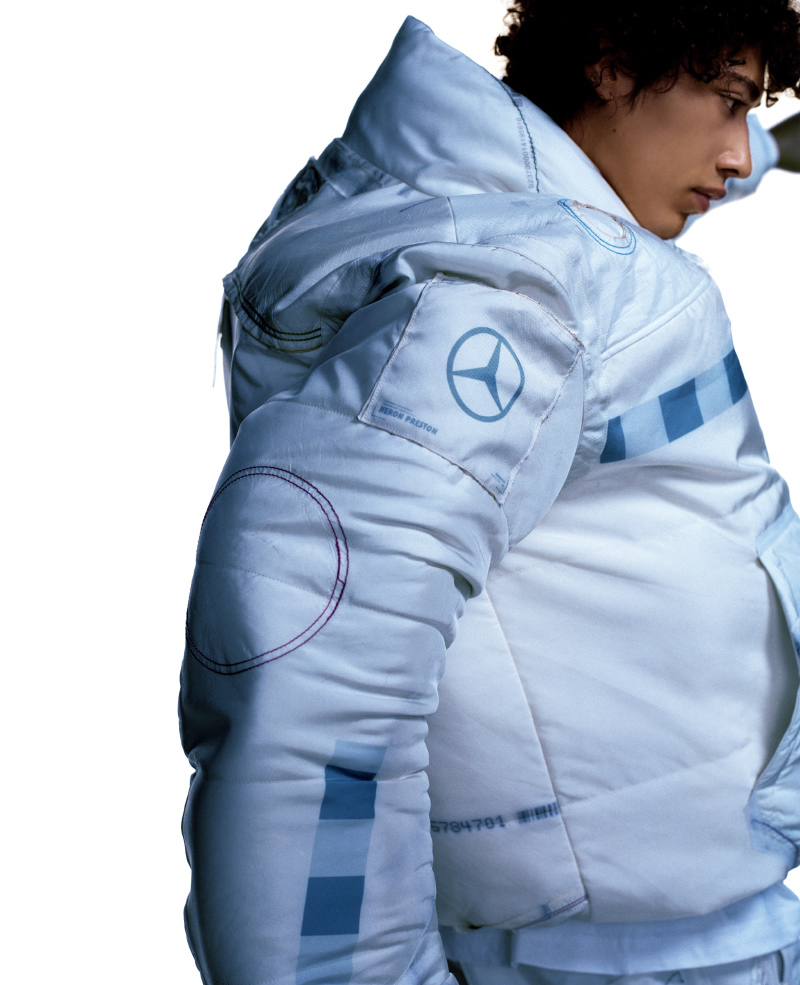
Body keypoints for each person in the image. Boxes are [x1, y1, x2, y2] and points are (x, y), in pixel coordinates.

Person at [179, 4, 800, 985]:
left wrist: (777, 143)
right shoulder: (506, 300)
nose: (734, 154)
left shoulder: (515, 209)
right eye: (729, 101)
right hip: (628, 962)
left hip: (684, 932)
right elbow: (312, 674)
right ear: (609, 61)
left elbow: (698, 147)